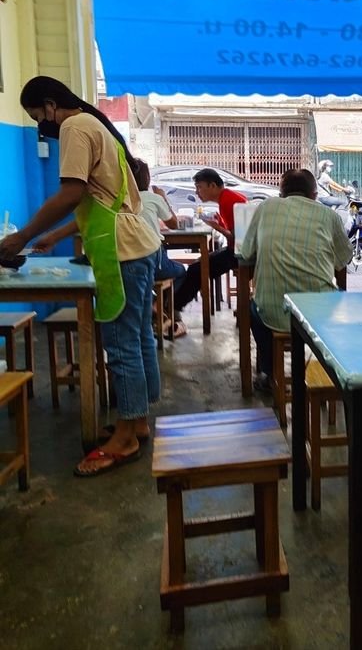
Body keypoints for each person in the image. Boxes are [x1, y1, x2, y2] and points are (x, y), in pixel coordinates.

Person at [0, 76, 161, 477]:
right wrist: (52, 234)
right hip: (138, 246)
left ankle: (125, 437)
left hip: (119, 252)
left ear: (51, 106)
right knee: (138, 337)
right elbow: (100, 201)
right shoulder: (97, 125)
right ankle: (136, 421)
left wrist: (22, 235)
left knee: (122, 344)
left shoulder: (74, 127)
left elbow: (71, 193)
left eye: (38, 116)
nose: (41, 125)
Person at [241, 168, 353, 391]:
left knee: (254, 309)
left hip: (272, 312)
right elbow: (343, 260)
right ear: (314, 195)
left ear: (281, 193)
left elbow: (246, 254)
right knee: (342, 302)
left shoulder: (266, 208)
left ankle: (269, 373)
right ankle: (327, 372)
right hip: (320, 316)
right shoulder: (329, 215)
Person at [172, 168, 246, 334]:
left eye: (199, 187)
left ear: (212, 185)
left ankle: (173, 307)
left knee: (197, 269)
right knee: (198, 265)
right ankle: (173, 306)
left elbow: (238, 237)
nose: (197, 192)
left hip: (240, 253)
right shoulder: (226, 198)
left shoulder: (228, 200)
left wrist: (216, 227)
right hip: (236, 249)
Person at [132, 159, 186, 324]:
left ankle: (155, 305)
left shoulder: (121, 199)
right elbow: (174, 224)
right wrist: (163, 198)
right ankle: (160, 305)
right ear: (146, 178)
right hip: (154, 261)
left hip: (128, 262)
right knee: (181, 271)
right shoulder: (152, 197)